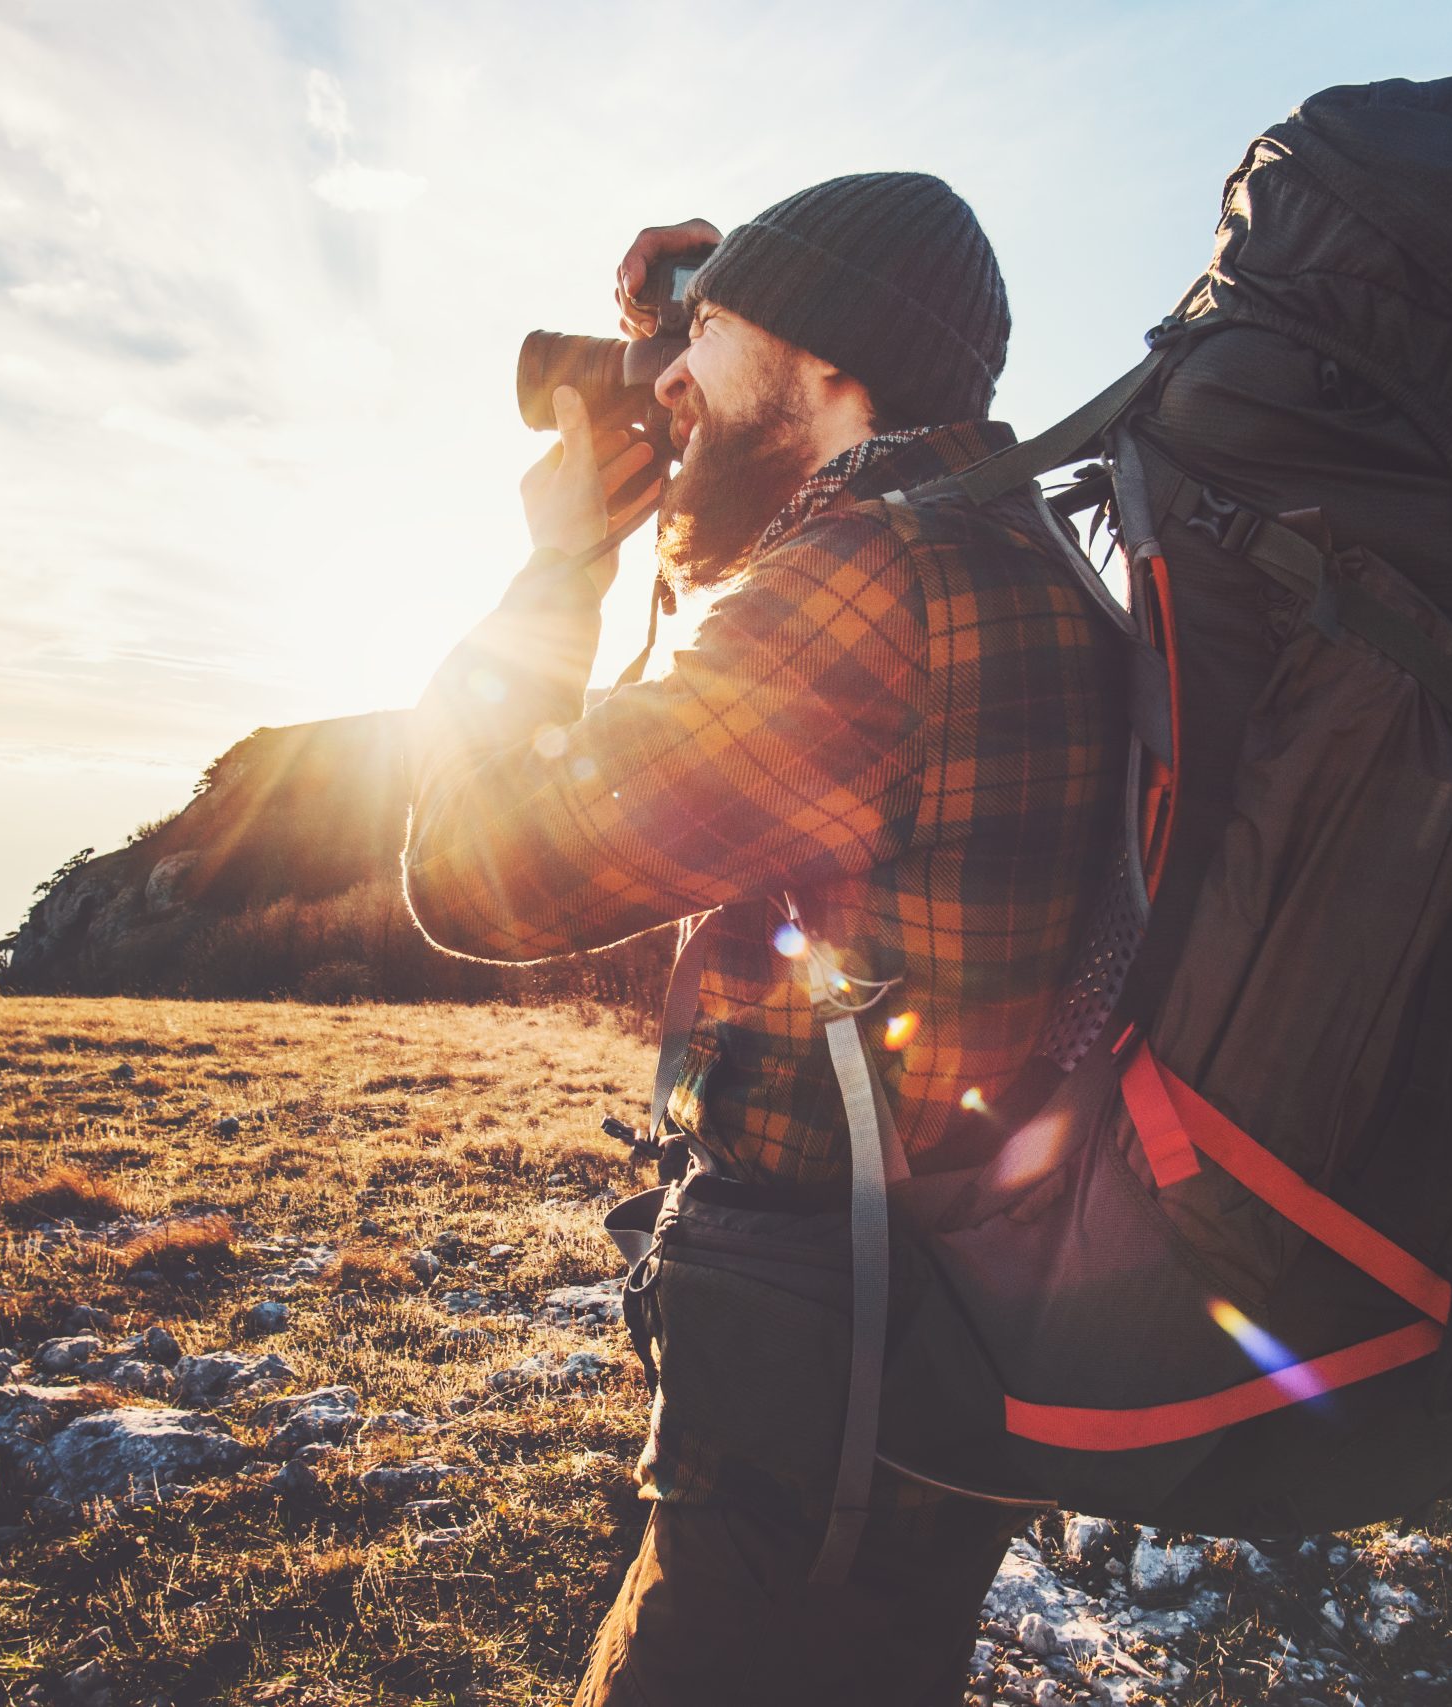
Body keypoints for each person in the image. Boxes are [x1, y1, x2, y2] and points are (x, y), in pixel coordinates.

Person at [400, 173, 1126, 1706]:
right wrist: (695, 327)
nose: (668, 383)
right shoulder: (1024, 555)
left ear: (827, 369)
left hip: (817, 1366)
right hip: (953, 1320)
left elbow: (480, 878)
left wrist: (558, 573)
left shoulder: (868, 584)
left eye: (711, 339)